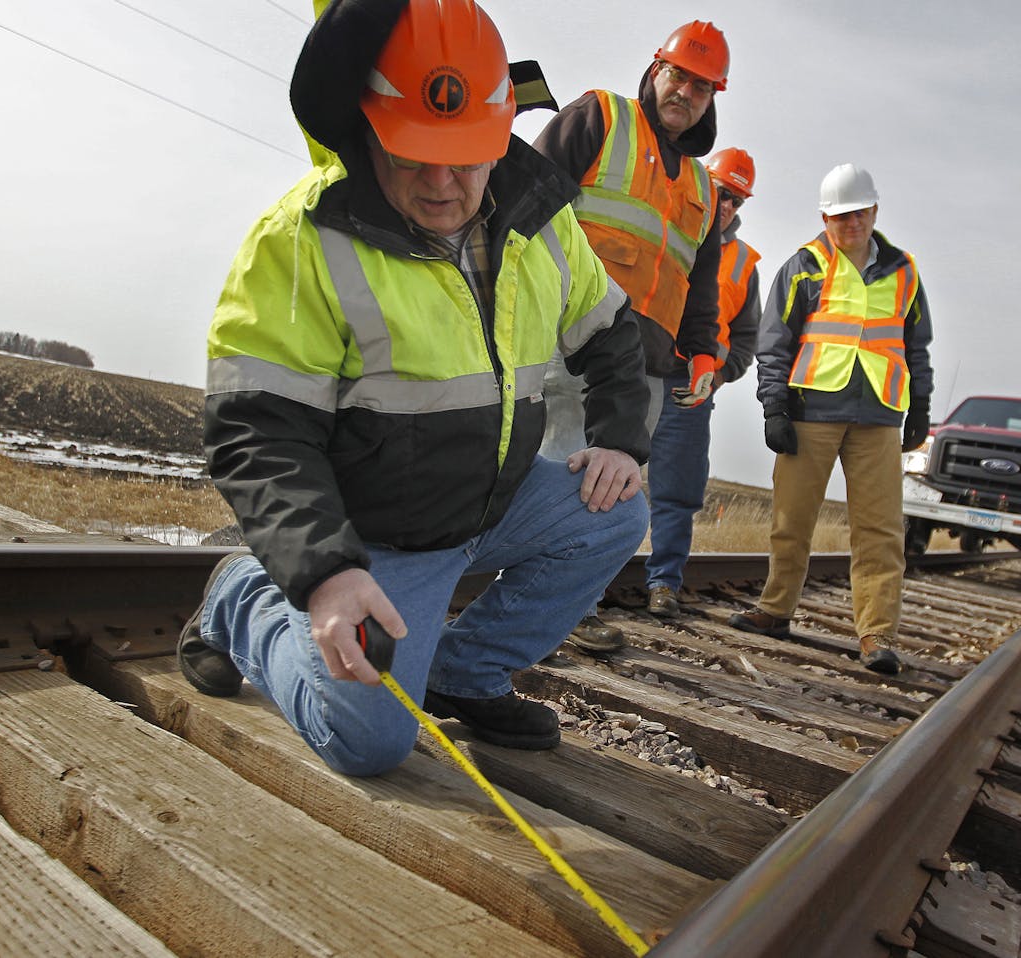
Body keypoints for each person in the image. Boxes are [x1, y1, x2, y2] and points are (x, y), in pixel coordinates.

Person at [176, 0, 652, 777]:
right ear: (369, 128)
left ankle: (463, 672)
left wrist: (622, 442)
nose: (440, 184)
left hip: (487, 506)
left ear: (501, 134)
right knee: (369, 743)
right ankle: (245, 598)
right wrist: (328, 575)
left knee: (615, 511)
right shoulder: (303, 239)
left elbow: (611, 334)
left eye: (464, 157)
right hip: (377, 535)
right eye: (412, 154)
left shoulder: (542, 223)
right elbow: (257, 432)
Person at [534, 20, 730, 652]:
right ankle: (535, 607)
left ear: (712, 99)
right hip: (569, 339)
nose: (686, 93)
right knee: (556, 469)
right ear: (655, 72)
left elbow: (701, 284)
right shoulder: (601, 118)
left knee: (605, 489)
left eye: (702, 87)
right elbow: (524, 196)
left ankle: (568, 607)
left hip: (646, 359)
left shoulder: (702, 185)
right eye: (679, 76)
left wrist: (703, 351)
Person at [729, 164, 932, 676]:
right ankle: (775, 611)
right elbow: (774, 343)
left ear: (874, 212)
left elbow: (917, 348)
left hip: (879, 417)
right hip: (810, 413)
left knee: (880, 530)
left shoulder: (903, 271)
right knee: (791, 520)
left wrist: (921, 408)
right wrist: (774, 406)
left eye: (859, 214)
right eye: (841, 217)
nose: (851, 225)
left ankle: (877, 635)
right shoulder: (804, 265)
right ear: (826, 217)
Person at [645, 147, 761, 617]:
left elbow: (746, 340)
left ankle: (663, 586)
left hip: (689, 390)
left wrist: (715, 375)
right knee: (602, 474)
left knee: (676, 490)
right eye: (721, 191)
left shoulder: (744, 265)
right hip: (637, 371)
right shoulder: (662, 225)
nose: (727, 204)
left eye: (737, 198)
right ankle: (585, 587)